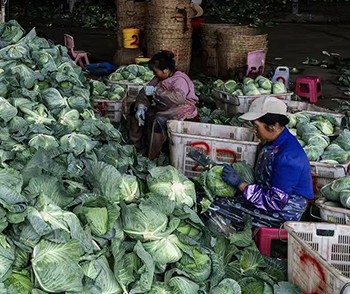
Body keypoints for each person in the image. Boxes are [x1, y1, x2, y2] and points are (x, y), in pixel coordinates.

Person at [207, 97, 313, 230]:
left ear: (273, 126)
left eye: (256, 126)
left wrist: (240, 184)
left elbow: (275, 202)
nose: (254, 131)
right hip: (266, 197)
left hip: (284, 213)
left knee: (214, 209)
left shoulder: (288, 157)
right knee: (216, 199)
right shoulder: (275, 141)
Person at [130, 51, 199, 160]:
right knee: (135, 109)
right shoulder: (159, 78)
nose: (153, 74)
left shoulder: (180, 79)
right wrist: (141, 107)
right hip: (165, 107)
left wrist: (156, 92)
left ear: (165, 71)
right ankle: (136, 145)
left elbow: (177, 98)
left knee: (160, 119)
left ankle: (153, 157)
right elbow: (145, 92)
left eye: (155, 71)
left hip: (183, 109)